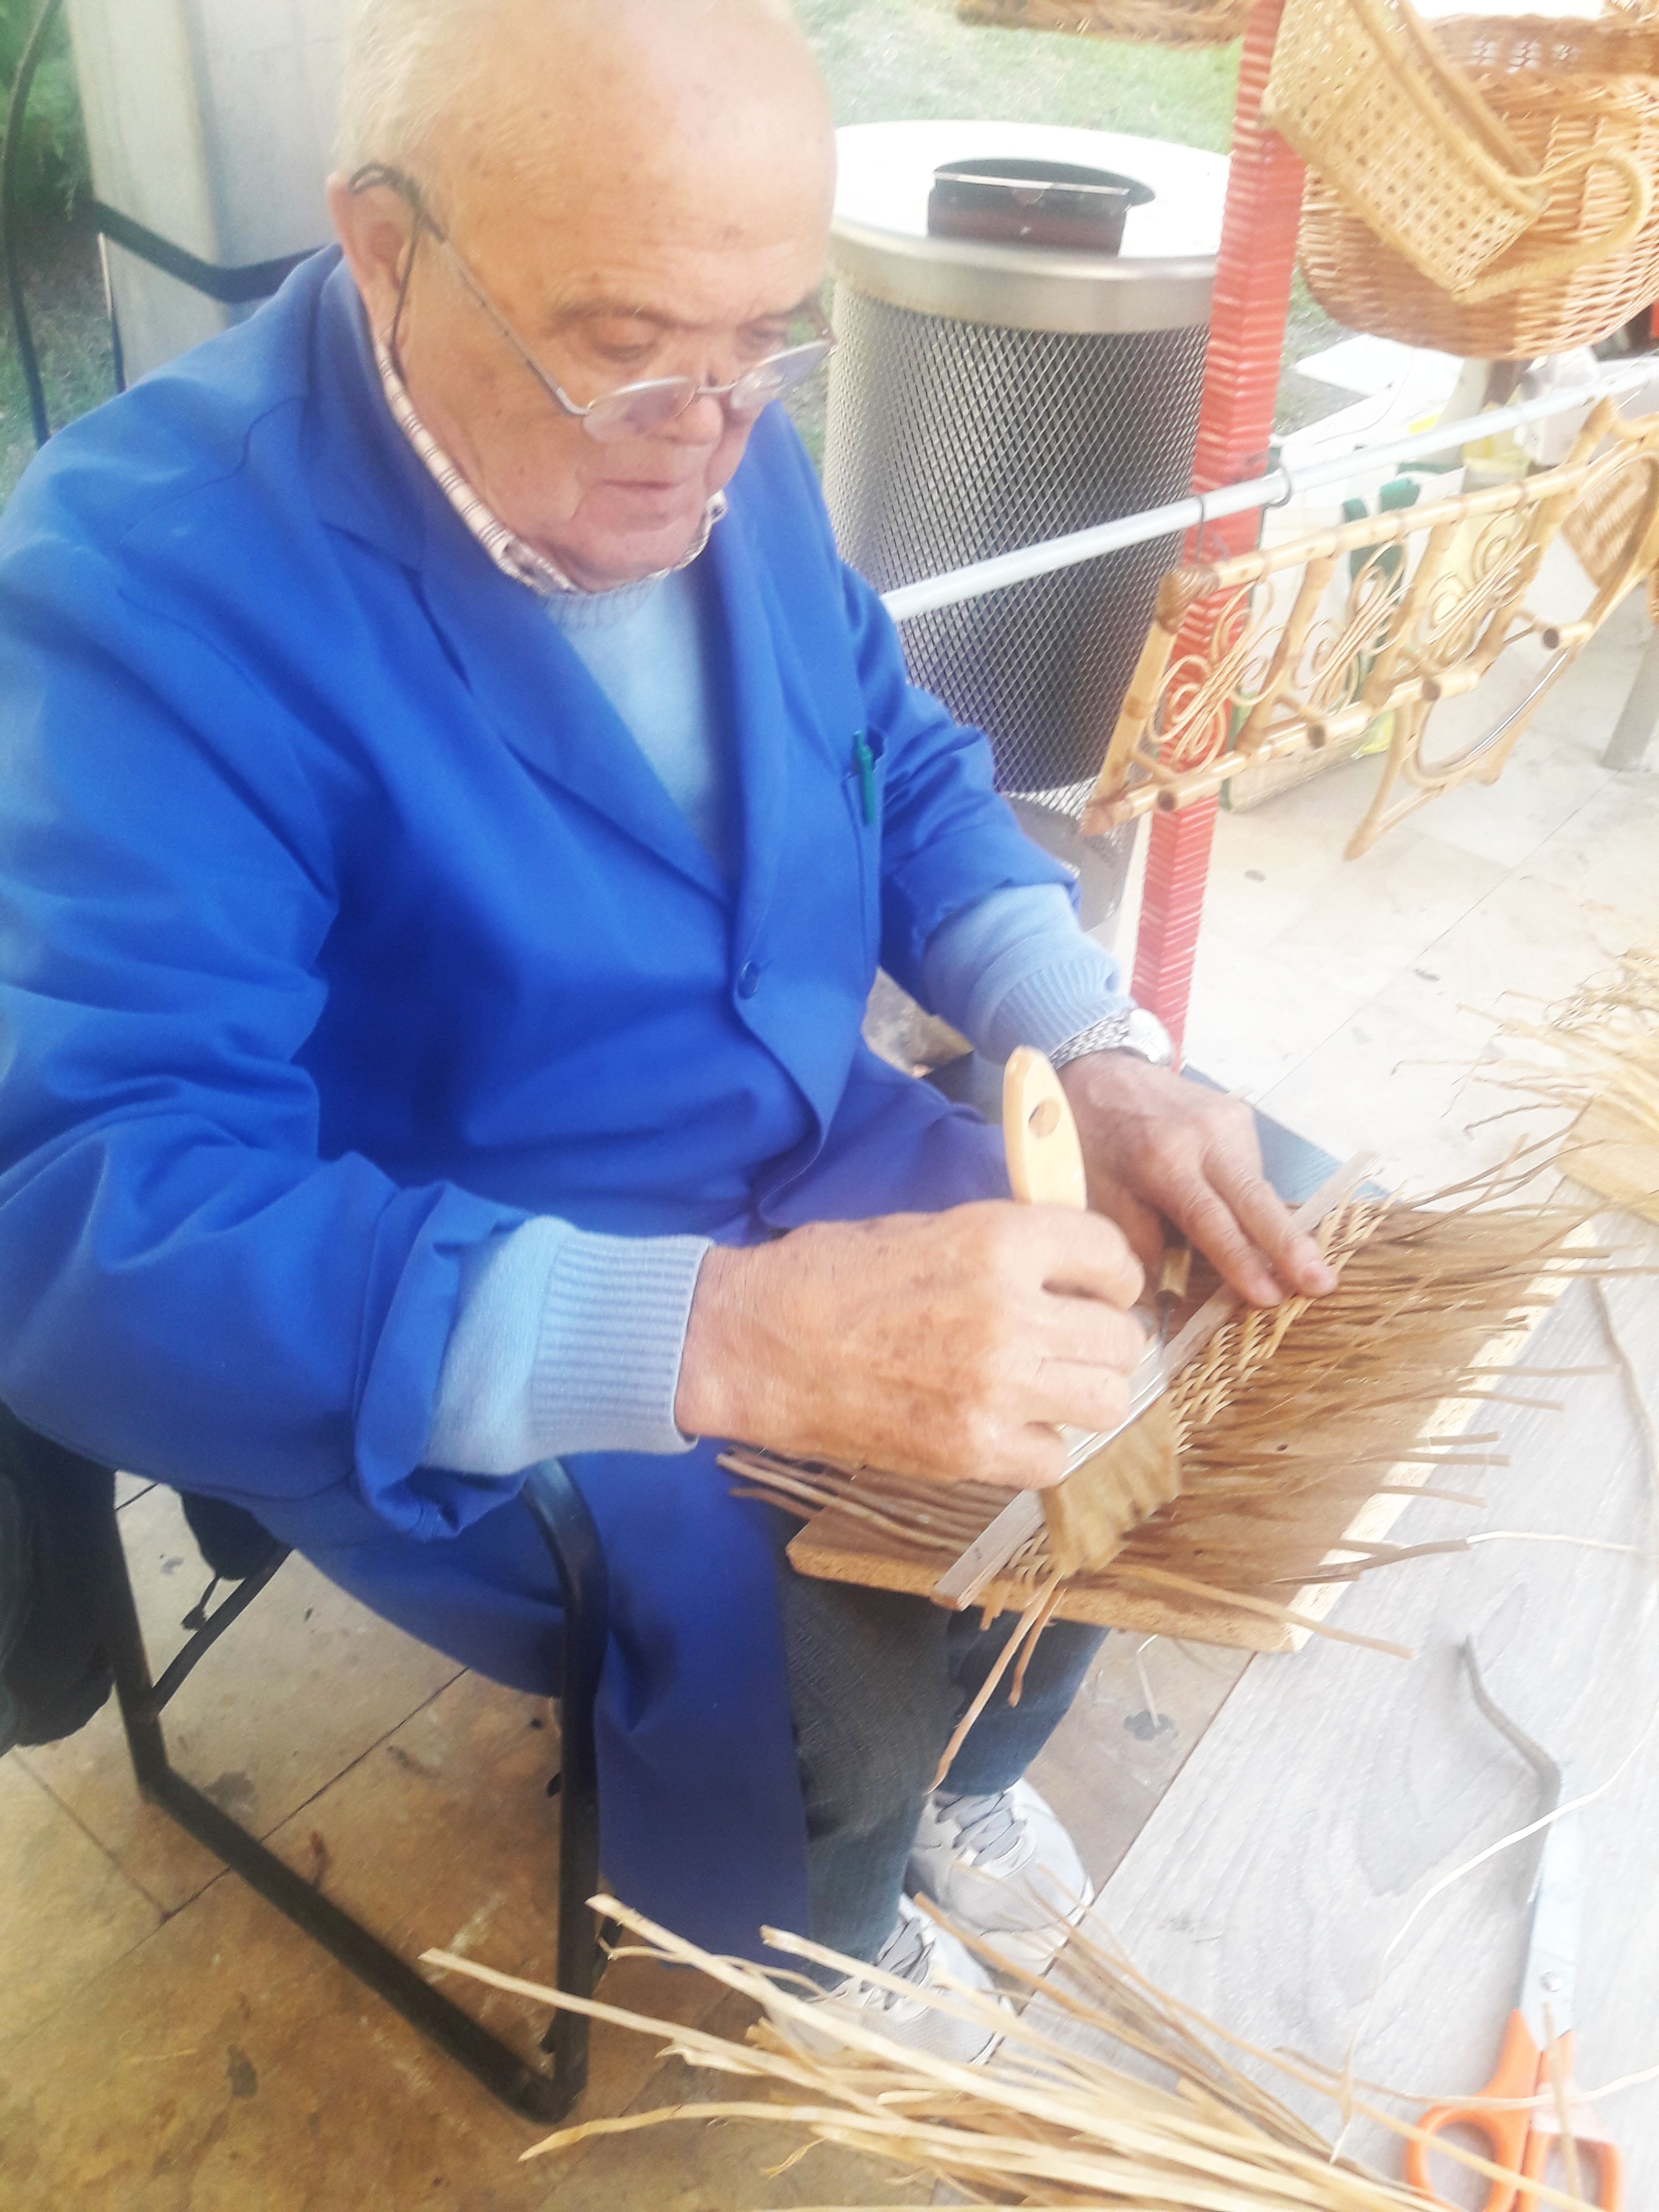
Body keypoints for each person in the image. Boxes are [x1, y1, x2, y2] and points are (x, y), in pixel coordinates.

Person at [0, 0, 1332, 2059]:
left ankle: (965, 1774)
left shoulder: (713, 425)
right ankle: (822, 1924)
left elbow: (888, 745)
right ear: (384, 246)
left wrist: (1097, 1039)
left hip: (802, 1132)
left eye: (762, 346)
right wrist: (729, 1336)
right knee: (827, 1649)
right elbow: (92, 1207)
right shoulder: (143, 589)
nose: (706, 435)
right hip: (471, 1286)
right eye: (622, 348)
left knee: (1198, 1287)